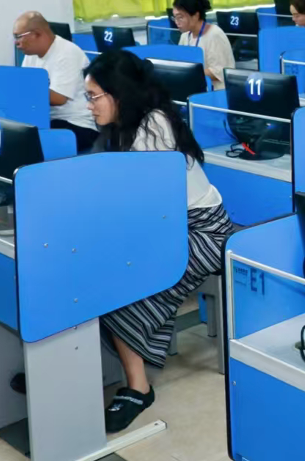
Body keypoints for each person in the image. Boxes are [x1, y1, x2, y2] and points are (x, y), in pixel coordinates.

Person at [83, 51, 231, 433]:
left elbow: (150, 206)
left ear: (119, 93)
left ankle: (138, 388)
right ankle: (70, 369)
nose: (89, 105)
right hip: (165, 227)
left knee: (121, 284)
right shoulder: (121, 127)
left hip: (204, 231)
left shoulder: (154, 126)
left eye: (94, 96)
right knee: (90, 270)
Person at [14, 11, 99, 151]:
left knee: (28, 143)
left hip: (76, 124)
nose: (16, 42)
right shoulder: (30, 55)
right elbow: (24, 86)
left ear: (37, 34)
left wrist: (24, 90)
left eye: (19, 36)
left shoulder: (67, 53)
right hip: (48, 120)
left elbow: (59, 98)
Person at [172, 0, 234, 90]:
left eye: (180, 17)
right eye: (175, 17)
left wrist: (188, 73)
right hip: (195, 89)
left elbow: (218, 72)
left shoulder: (214, 35)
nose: (177, 22)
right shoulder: (185, 36)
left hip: (216, 92)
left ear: (196, 16)